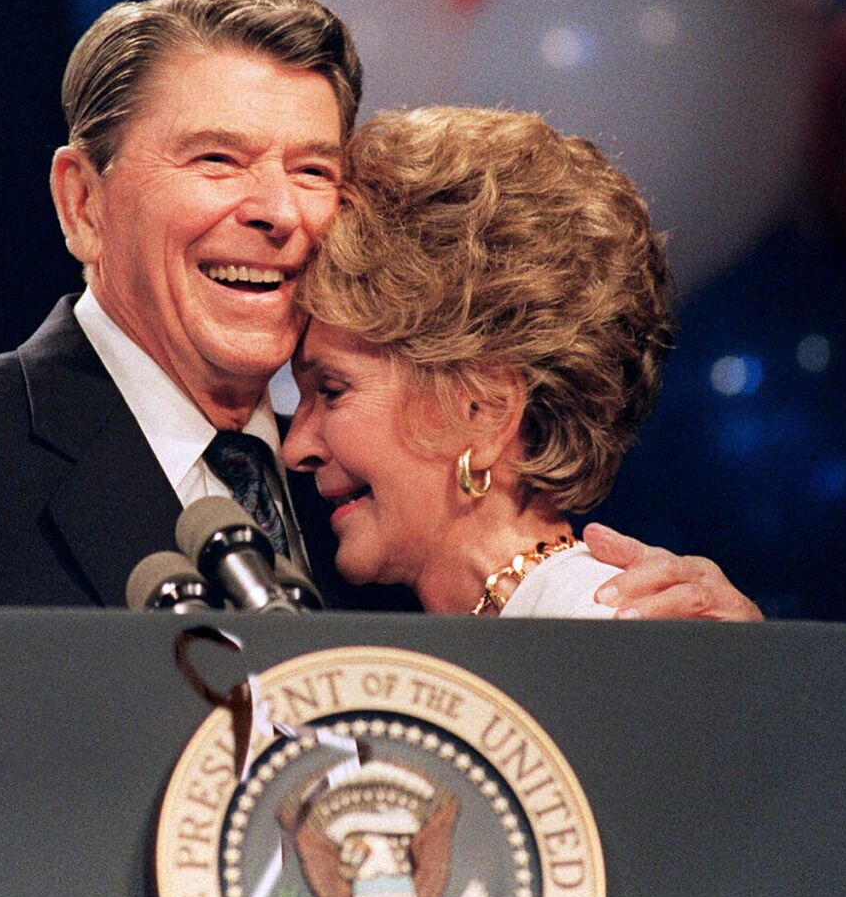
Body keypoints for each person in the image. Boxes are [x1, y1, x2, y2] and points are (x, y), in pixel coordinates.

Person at [0, 0, 754, 897]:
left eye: (312, 170)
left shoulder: (369, 513)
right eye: (217, 159)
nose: (277, 209)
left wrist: (734, 683)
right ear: (82, 202)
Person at [283, 106, 765, 619]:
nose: (295, 448)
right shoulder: (496, 625)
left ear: (484, 410)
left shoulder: (614, 627)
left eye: (332, 391)